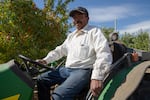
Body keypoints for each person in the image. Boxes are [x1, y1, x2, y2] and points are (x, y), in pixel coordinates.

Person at [36, 6, 112, 100]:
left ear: (87, 18)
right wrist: (45, 60)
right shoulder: (71, 36)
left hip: (83, 71)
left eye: (80, 16)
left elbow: (103, 53)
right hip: (67, 70)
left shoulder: (94, 32)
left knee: (59, 96)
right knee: (41, 80)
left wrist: (97, 77)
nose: (77, 19)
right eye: (74, 17)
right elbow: (59, 51)